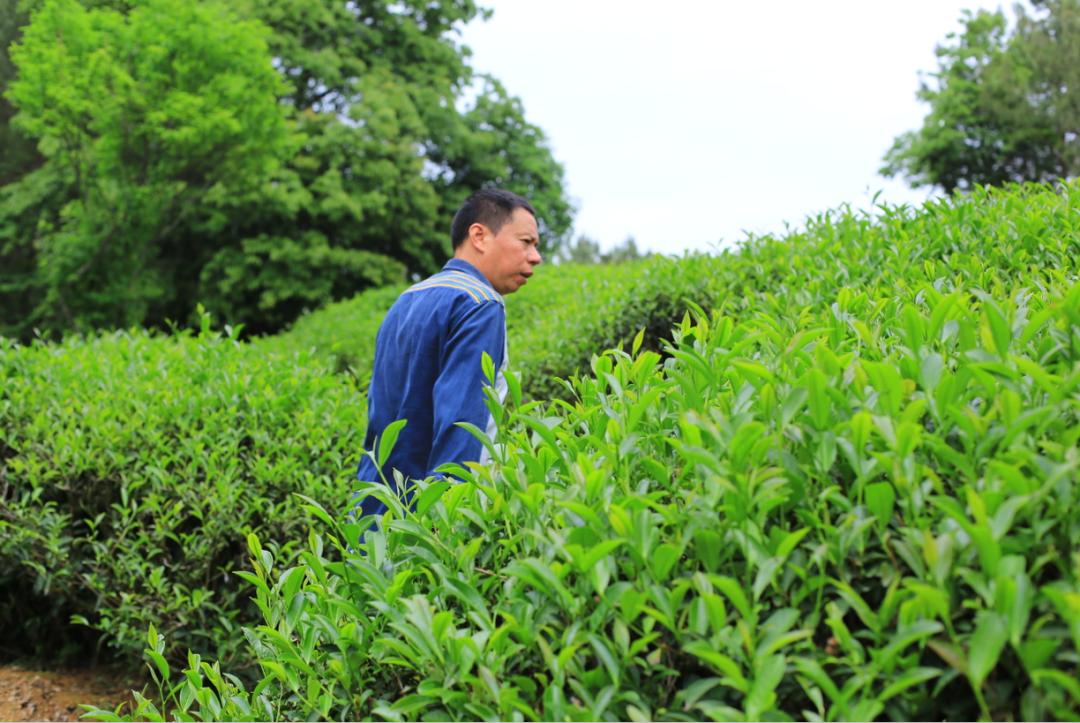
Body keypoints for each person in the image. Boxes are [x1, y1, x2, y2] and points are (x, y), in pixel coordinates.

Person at [353, 188, 542, 520]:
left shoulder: (407, 300)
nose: (535, 256)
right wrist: (449, 522)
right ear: (480, 236)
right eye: (526, 242)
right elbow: (463, 424)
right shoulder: (480, 303)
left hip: (376, 512)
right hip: (430, 524)